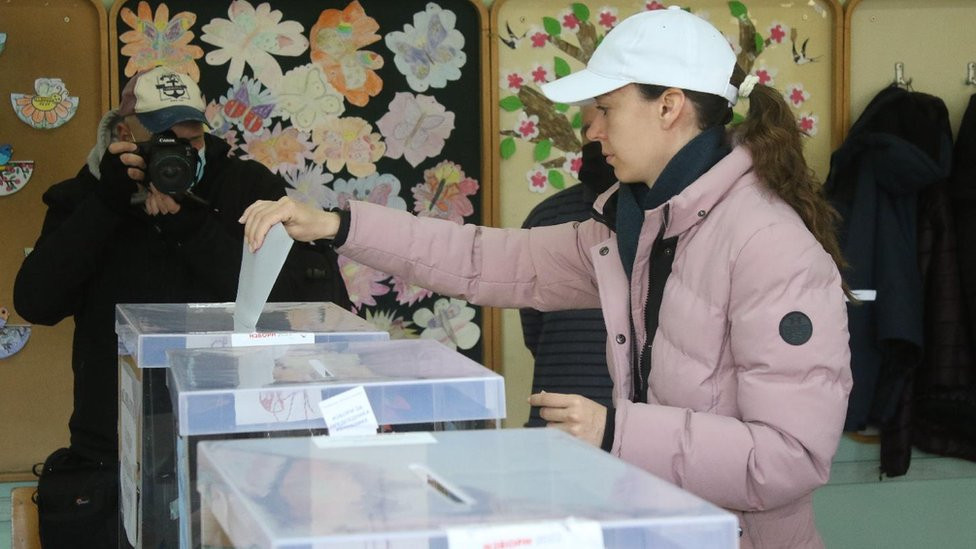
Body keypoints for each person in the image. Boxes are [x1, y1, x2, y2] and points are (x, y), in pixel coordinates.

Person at [240, 8, 852, 548]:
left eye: (605, 109)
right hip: (657, 524)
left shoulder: (768, 247)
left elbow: (792, 457)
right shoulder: (631, 227)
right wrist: (337, 225)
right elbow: (482, 258)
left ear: (669, 106)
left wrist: (614, 431)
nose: (592, 130)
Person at [14, 67, 350, 548]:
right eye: (161, 140)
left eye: (190, 140)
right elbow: (36, 302)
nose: (178, 153)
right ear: (123, 134)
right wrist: (106, 204)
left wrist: (195, 228)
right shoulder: (85, 195)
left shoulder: (244, 186)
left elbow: (310, 300)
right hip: (115, 448)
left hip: (234, 445)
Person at [519, 106, 615, 426]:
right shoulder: (547, 217)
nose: (595, 135)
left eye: (609, 115)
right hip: (555, 426)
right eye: (586, 128)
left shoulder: (675, 218)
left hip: (641, 434)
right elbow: (534, 327)